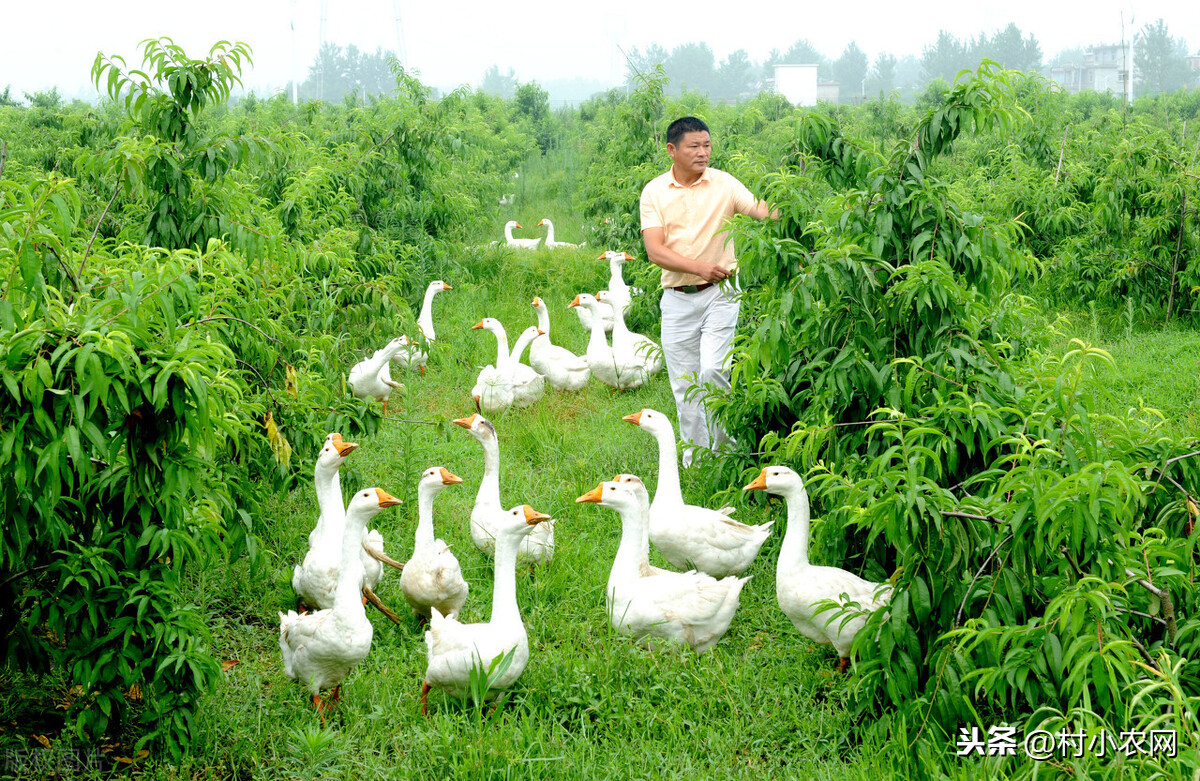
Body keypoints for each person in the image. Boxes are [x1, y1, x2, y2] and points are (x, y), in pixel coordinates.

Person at [639, 116, 774, 467]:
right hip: (677, 298)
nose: (703, 152)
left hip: (722, 293)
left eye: (707, 145)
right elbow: (655, 251)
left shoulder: (725, 184)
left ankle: (726, 453)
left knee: (713, 370)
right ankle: (696, 460)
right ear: (672, 150)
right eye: (694, 146)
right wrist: (698, 267)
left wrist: (795, 204)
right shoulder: (654, 192)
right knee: (685, 383)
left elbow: (761, 210)